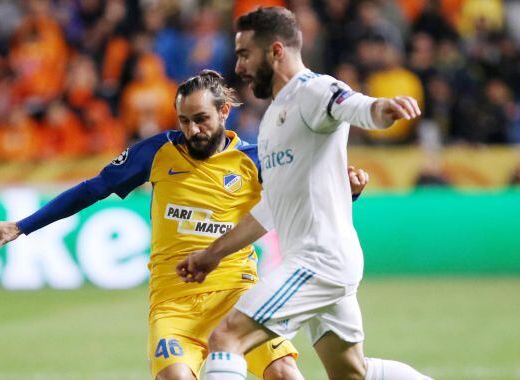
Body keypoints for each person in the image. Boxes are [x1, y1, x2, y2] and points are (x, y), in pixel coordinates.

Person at [0, 70, 370, 380]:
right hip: (173, 303)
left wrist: (347, 193)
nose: (192, 130)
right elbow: (93, 189)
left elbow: (306, 204)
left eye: (201, 119)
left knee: (284, 372)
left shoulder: (256, 160)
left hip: (237, 296)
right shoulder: (155, 152)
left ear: (223, 113)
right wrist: (23, 226)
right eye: (184, 121)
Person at [176, 7, 431, 380]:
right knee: (351, 373)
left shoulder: (313, 90)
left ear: (276, 51)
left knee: (227, 337)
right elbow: (272, 209)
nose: (240, 66)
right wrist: (212, 254)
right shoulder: (274, 118)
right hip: (321, 257)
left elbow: (352, 104)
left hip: (318, 260)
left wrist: (381, 109)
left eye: (246, 53)